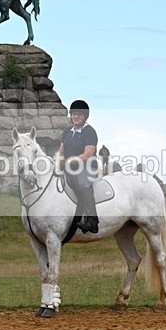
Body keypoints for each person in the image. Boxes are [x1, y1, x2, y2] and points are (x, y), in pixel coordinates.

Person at [58, 100, 100, 233]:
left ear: (85, 116)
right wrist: (58, 162)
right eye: (74, 114)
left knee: (82, 184)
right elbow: (61, 151)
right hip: (70, 167)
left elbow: (87, 155)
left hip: (86, 166)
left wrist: (69, 162)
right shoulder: (67, 132)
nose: (76, 117)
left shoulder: (89, 132)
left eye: (79, 115)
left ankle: (92, 220)